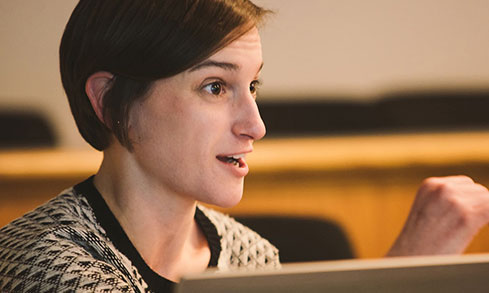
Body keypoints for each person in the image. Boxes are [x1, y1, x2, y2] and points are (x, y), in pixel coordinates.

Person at [1, 0, 489, 292]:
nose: (255, 125)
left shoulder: (253, 258)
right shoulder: (40, 265)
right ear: (109, 100)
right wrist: (400, 275)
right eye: (215, 87)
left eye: (252, 86)